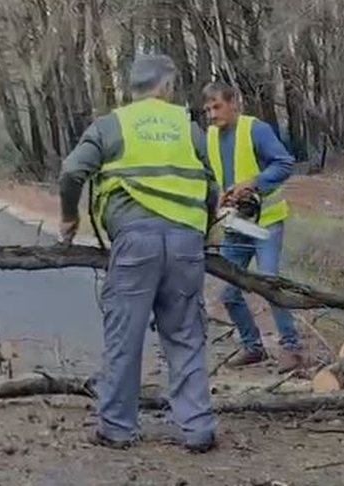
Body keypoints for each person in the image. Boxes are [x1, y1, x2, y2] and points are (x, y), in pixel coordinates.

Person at [58, 54, 218, 452]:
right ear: (167, 86)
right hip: (185, 241)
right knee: (185, 333)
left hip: (134, 242)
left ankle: (116, 427)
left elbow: (71, 172)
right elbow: (211, 185)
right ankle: (197, 428)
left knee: (124, 337)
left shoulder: (111, 125)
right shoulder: (189, 127)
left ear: (132, 88)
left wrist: (68, 218)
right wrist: (207, 226)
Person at [202, 81, 304, 373]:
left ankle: (292, 348)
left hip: (266, 223)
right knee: (229, 293)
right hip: (236, 224)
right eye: (207, 109)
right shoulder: (210, 136)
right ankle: (252, 347)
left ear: (233, 103)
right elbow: (213, 175)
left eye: (217, 106)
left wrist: (254, 182)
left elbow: (285, 163)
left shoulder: (255, 129)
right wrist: (217, 194)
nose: (211, 114)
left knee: (268, 282)